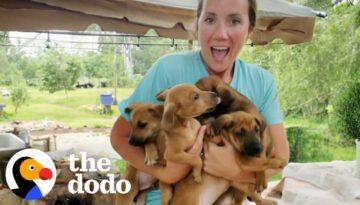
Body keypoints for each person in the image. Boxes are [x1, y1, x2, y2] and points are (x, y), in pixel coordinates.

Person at [110, 0, 290, 204]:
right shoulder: (168, 69)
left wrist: (233, 170)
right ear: (197, 25)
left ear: (249, 28)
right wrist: (167, 174)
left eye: (235, 20)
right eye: (210, 19)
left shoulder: (261, 82)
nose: (221, 33)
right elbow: (119, 136)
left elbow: (280, 158)